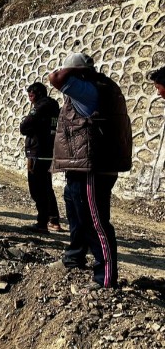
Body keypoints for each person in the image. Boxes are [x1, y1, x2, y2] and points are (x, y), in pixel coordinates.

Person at [49, 53, 132, 289]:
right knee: (78, 216)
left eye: (68, 70)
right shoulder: (97, 87)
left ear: (78, 73)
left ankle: (104, 278)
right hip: (81, 164)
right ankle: (74, 257)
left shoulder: (88, 90)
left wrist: (73, 71)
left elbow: (55, 78)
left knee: (95, 222)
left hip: (91, 167)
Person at [19, 82, 62, 233]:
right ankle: (53, 220)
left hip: (36, 151)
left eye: (31, 95)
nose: (29, 99)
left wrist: (29, 128)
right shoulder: (54, 106)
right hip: (49, 150)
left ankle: (42, 222)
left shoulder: (40, 107)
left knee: (37, 188)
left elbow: (24, 126)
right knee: (46, 186)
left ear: (36, 94)